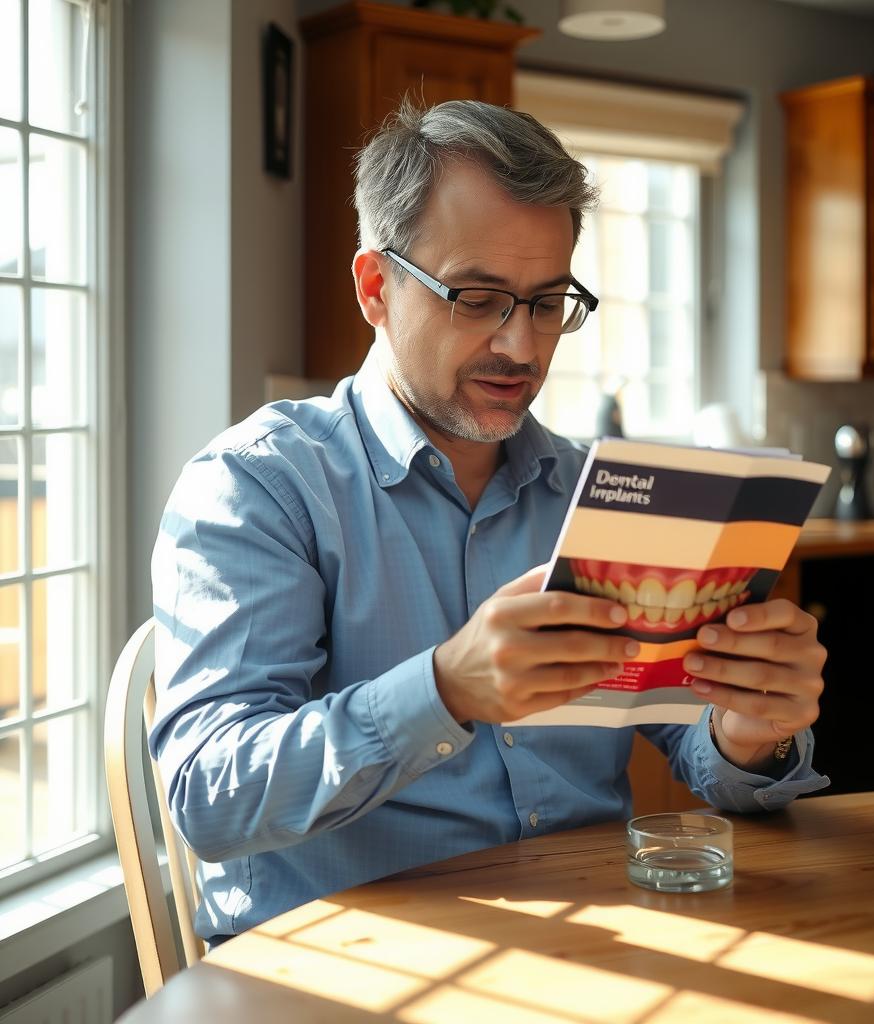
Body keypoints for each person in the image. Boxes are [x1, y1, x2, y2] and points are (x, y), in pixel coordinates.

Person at [151, 98, 829, 946]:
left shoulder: (599, 494)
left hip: (590, 956)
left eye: (548, 304)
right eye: (478, 299)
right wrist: (444, 690)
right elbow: (209, 797)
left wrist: (750, 731)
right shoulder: (261, 486)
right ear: (375, 288)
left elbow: (704, 757)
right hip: (341, 974)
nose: (521, 347)